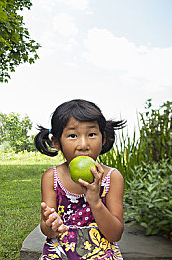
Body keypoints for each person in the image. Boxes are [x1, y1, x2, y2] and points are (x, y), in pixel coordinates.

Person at [34, 99, 126, 260]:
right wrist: (49, 223)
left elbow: (115, 234)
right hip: (61, 252)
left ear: (103, 138)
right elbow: (48, 231)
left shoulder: (112, 177)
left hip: (101, 253)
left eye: (91, 134)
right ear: (56, 142)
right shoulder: (51, 177)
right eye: (72, 135)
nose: (83, 145)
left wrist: (95, 201)